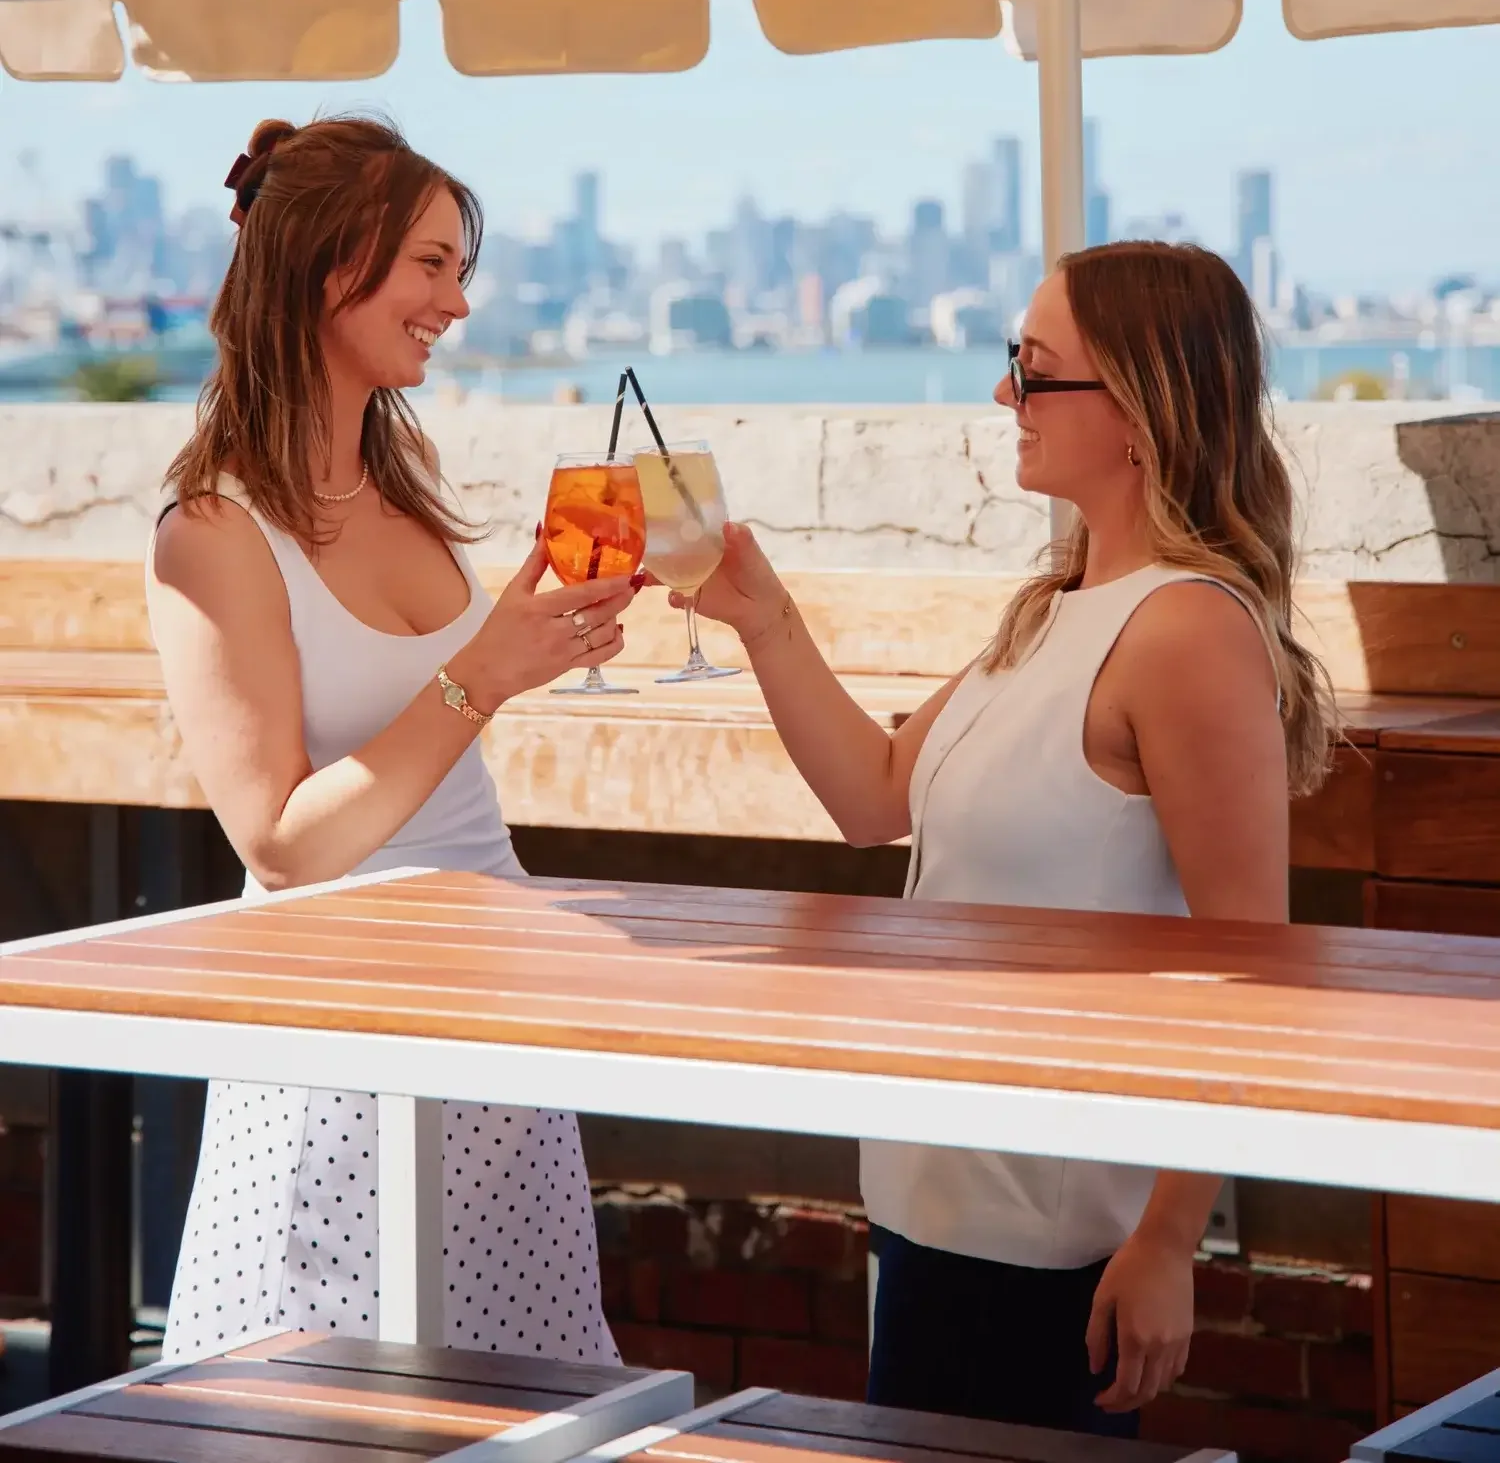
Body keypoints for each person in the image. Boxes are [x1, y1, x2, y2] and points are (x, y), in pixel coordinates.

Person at [680, 242, 1337, 1435]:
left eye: (1033, 371)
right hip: (936, 1208)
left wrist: (1171, 1236)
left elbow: (1256, 968)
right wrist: (763, 618)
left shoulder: (1186, 630)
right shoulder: (1053, 611)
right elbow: (877, 792)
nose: (1004, 397)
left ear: (1139, 404)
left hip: (1056, 1244)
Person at [148, 116, 636, 1361]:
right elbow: (284, 841)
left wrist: (531, 640)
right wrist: (481, 672)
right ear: (330, 265)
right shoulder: (212, 533)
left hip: (495, 1033)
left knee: (530, 1420)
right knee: (327, 1424)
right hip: (338, 1044)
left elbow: (445, 739)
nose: (457, 302)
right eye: (429, 264)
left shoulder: (402, 489)